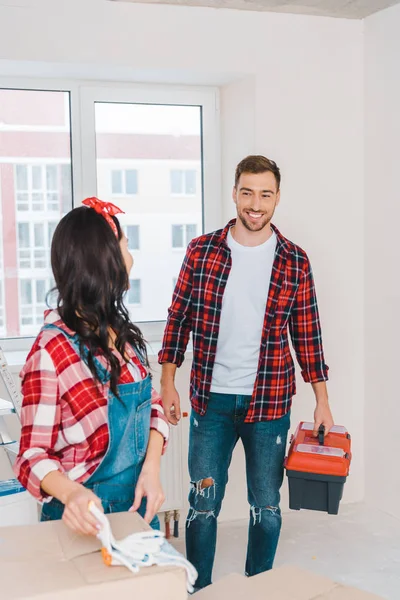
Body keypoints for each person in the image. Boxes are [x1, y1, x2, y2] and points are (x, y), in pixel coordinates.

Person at [158, 155, 334, 590]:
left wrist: (323, 402)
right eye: (248, 192)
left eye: (266, 194)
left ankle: (259, 588)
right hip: (209, 402)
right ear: (235, 192)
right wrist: (168, 382)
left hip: (270, 405)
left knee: (266, 507)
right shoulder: (202, 251)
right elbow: (178, 318)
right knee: (202, 506)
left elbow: (307, 335)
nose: (256, 203)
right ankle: (199, 589)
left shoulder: (294, 260)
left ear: (277, 198)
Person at [14, 197, 169, 535]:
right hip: (84, 519)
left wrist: (151, 469)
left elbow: (153, 408)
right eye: (126, 246)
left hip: (139, 509)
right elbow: (30, 456)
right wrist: (73, 495)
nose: (131, 258)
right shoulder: (51, 350)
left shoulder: (121, 334)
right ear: (106, 260)